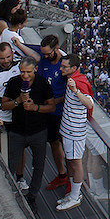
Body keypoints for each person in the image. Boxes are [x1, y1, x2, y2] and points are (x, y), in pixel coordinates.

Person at [1, 58, 54, 213]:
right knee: (10, 163)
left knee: (38, 166)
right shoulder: (13, 83)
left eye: (28, 72)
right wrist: (18, 101)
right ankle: (11, 192)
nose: (24, 75)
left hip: (38, 131)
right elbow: (4, 105)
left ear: (35, 70)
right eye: (22, 72)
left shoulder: (43, 84)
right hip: (17, 131)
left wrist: (35, 107)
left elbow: (51, 107)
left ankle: (32, 196)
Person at [55, 53, 95, 211]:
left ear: (73, 68)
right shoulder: (74, 78)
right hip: (68, 129)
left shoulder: (78, 82)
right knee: (70, 161)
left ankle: (75, 196)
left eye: (65, 67)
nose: (61, 69)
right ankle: (73, 193)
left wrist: (75, 90)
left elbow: (89, 103)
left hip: (75, 130)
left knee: (75, 163)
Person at [37, 35, 68, 191]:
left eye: (49, 53)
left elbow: (72, 91)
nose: (46, 56)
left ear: (57, 49)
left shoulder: (65, 65)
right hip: (48, 112)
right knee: (54, 142)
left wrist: (56, 101)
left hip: (62, 112)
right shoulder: (43, 62)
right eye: (44, 54)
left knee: (67, 145)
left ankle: (73, 178)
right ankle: (62, 174)